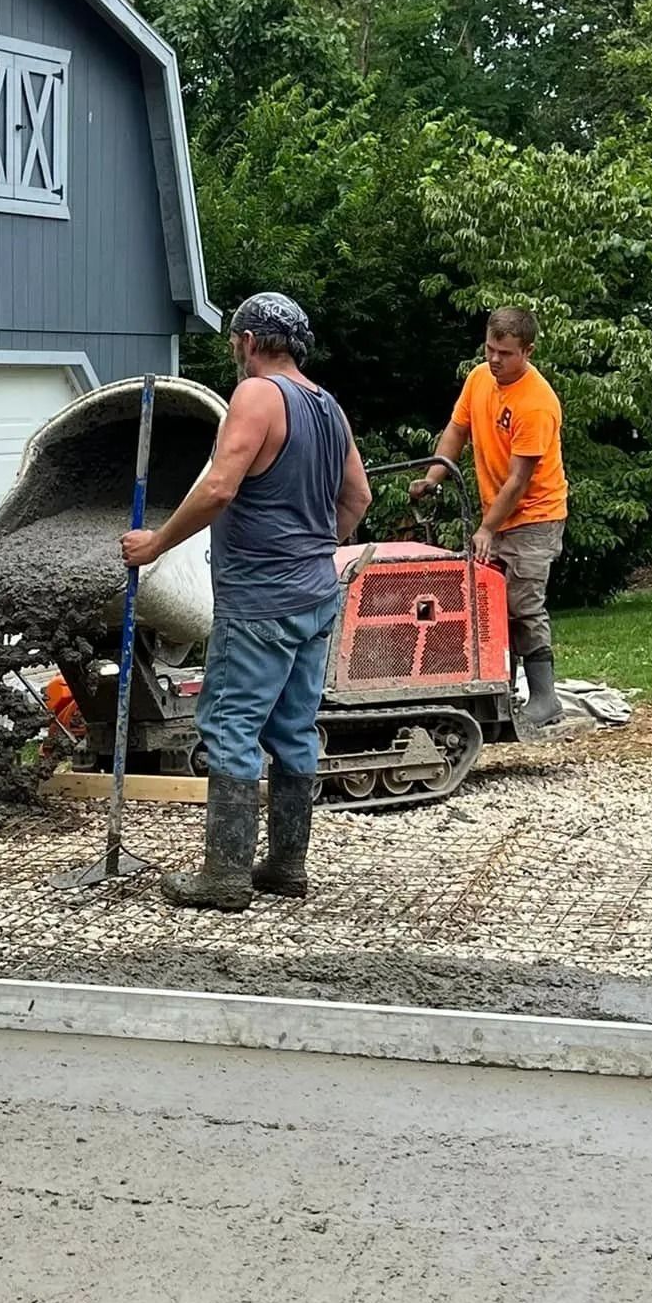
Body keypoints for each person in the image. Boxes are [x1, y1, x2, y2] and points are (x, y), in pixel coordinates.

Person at [120, 293, 371, 911]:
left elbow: (219, 487)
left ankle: (226, 877)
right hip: (314, 594)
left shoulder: (257, 396)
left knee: (231, 725)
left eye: (237, 341)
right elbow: (358, 498)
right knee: (293, 728)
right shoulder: (327, 407)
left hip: (259, 597)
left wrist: (155, 544)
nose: (235, 351)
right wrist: (314, 547)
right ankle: (286, 866)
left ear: (252, 342)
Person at [411, 307, 568, 727]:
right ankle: (498, 694)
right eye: (489, 348)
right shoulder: (480, 379)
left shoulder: (536, 403)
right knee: (486, 602)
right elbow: (457, 429)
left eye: (505, 352)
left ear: (527, 351)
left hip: (535, 516)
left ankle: (545, 698)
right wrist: (432, 476)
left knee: (522, 604)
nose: (494, 359)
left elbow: (518, 481)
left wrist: (486, 528)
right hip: (497, 513)